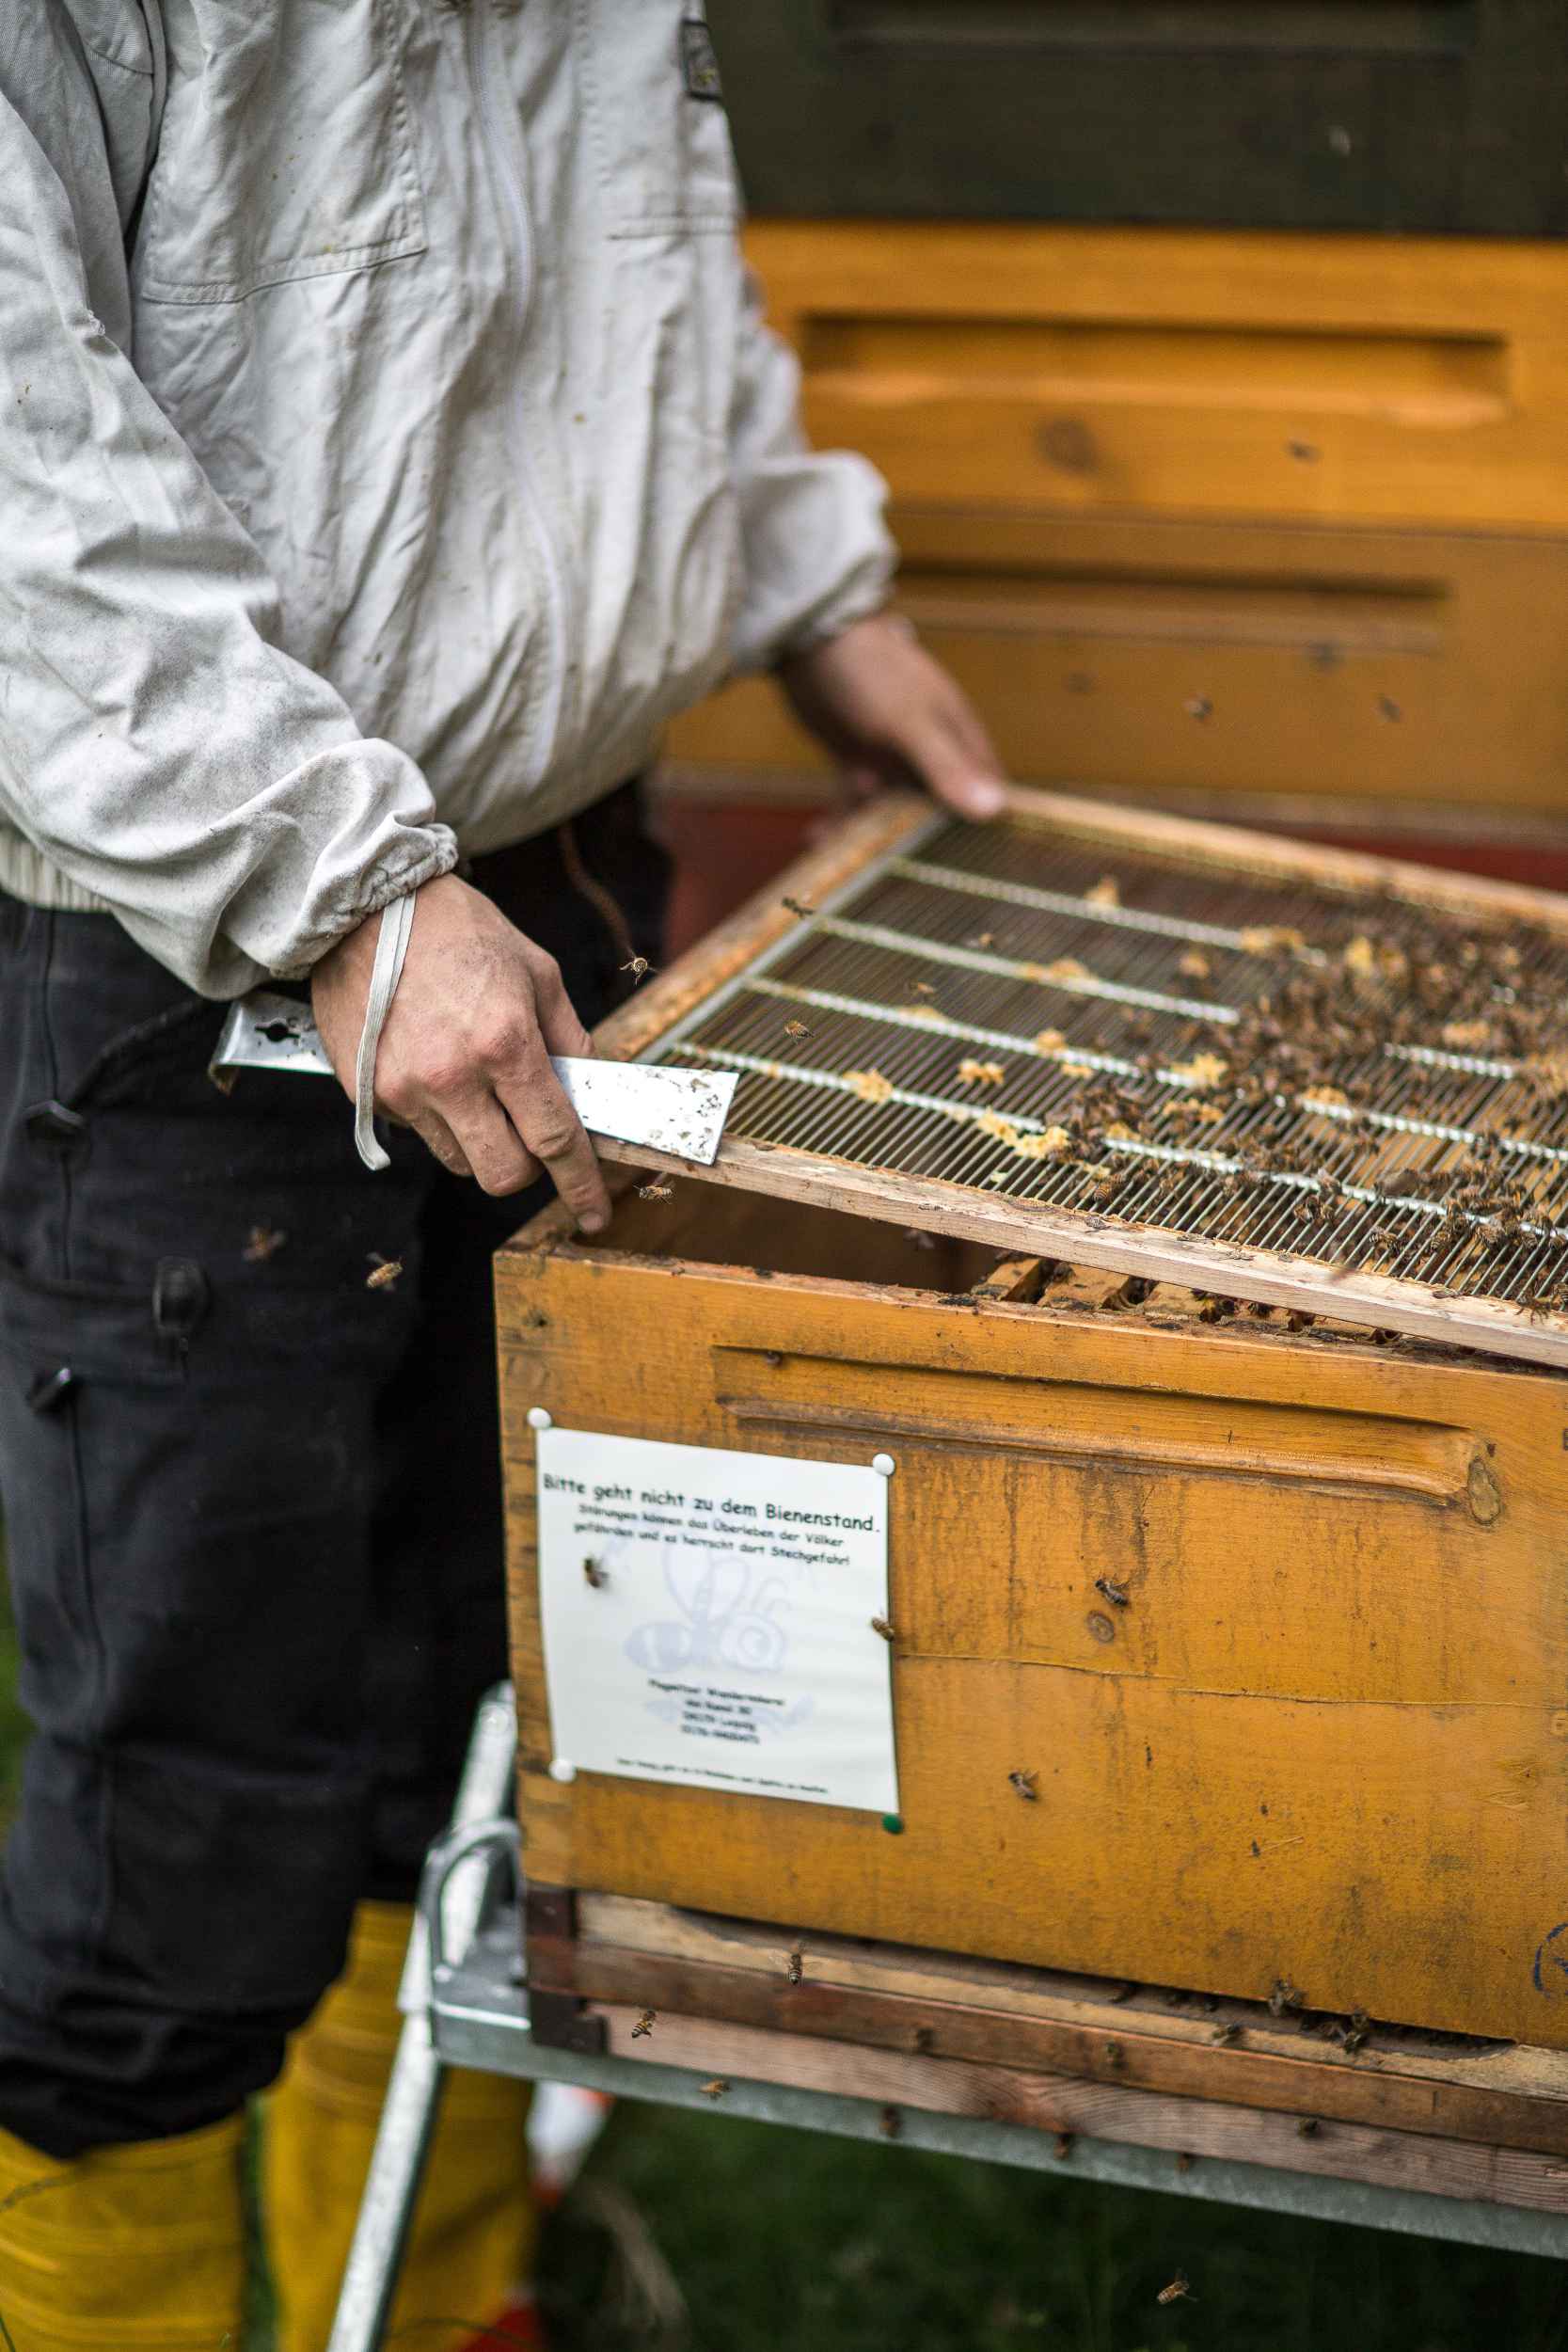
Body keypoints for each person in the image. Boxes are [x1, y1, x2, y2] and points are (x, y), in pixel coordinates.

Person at [0, 6, 1007, 2345]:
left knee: (487, 1708)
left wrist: (801, 578)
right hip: (202, 963)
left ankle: (447, 2297)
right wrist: (338, 888)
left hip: (547, 901)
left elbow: (617, 268)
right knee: (191, 1811)